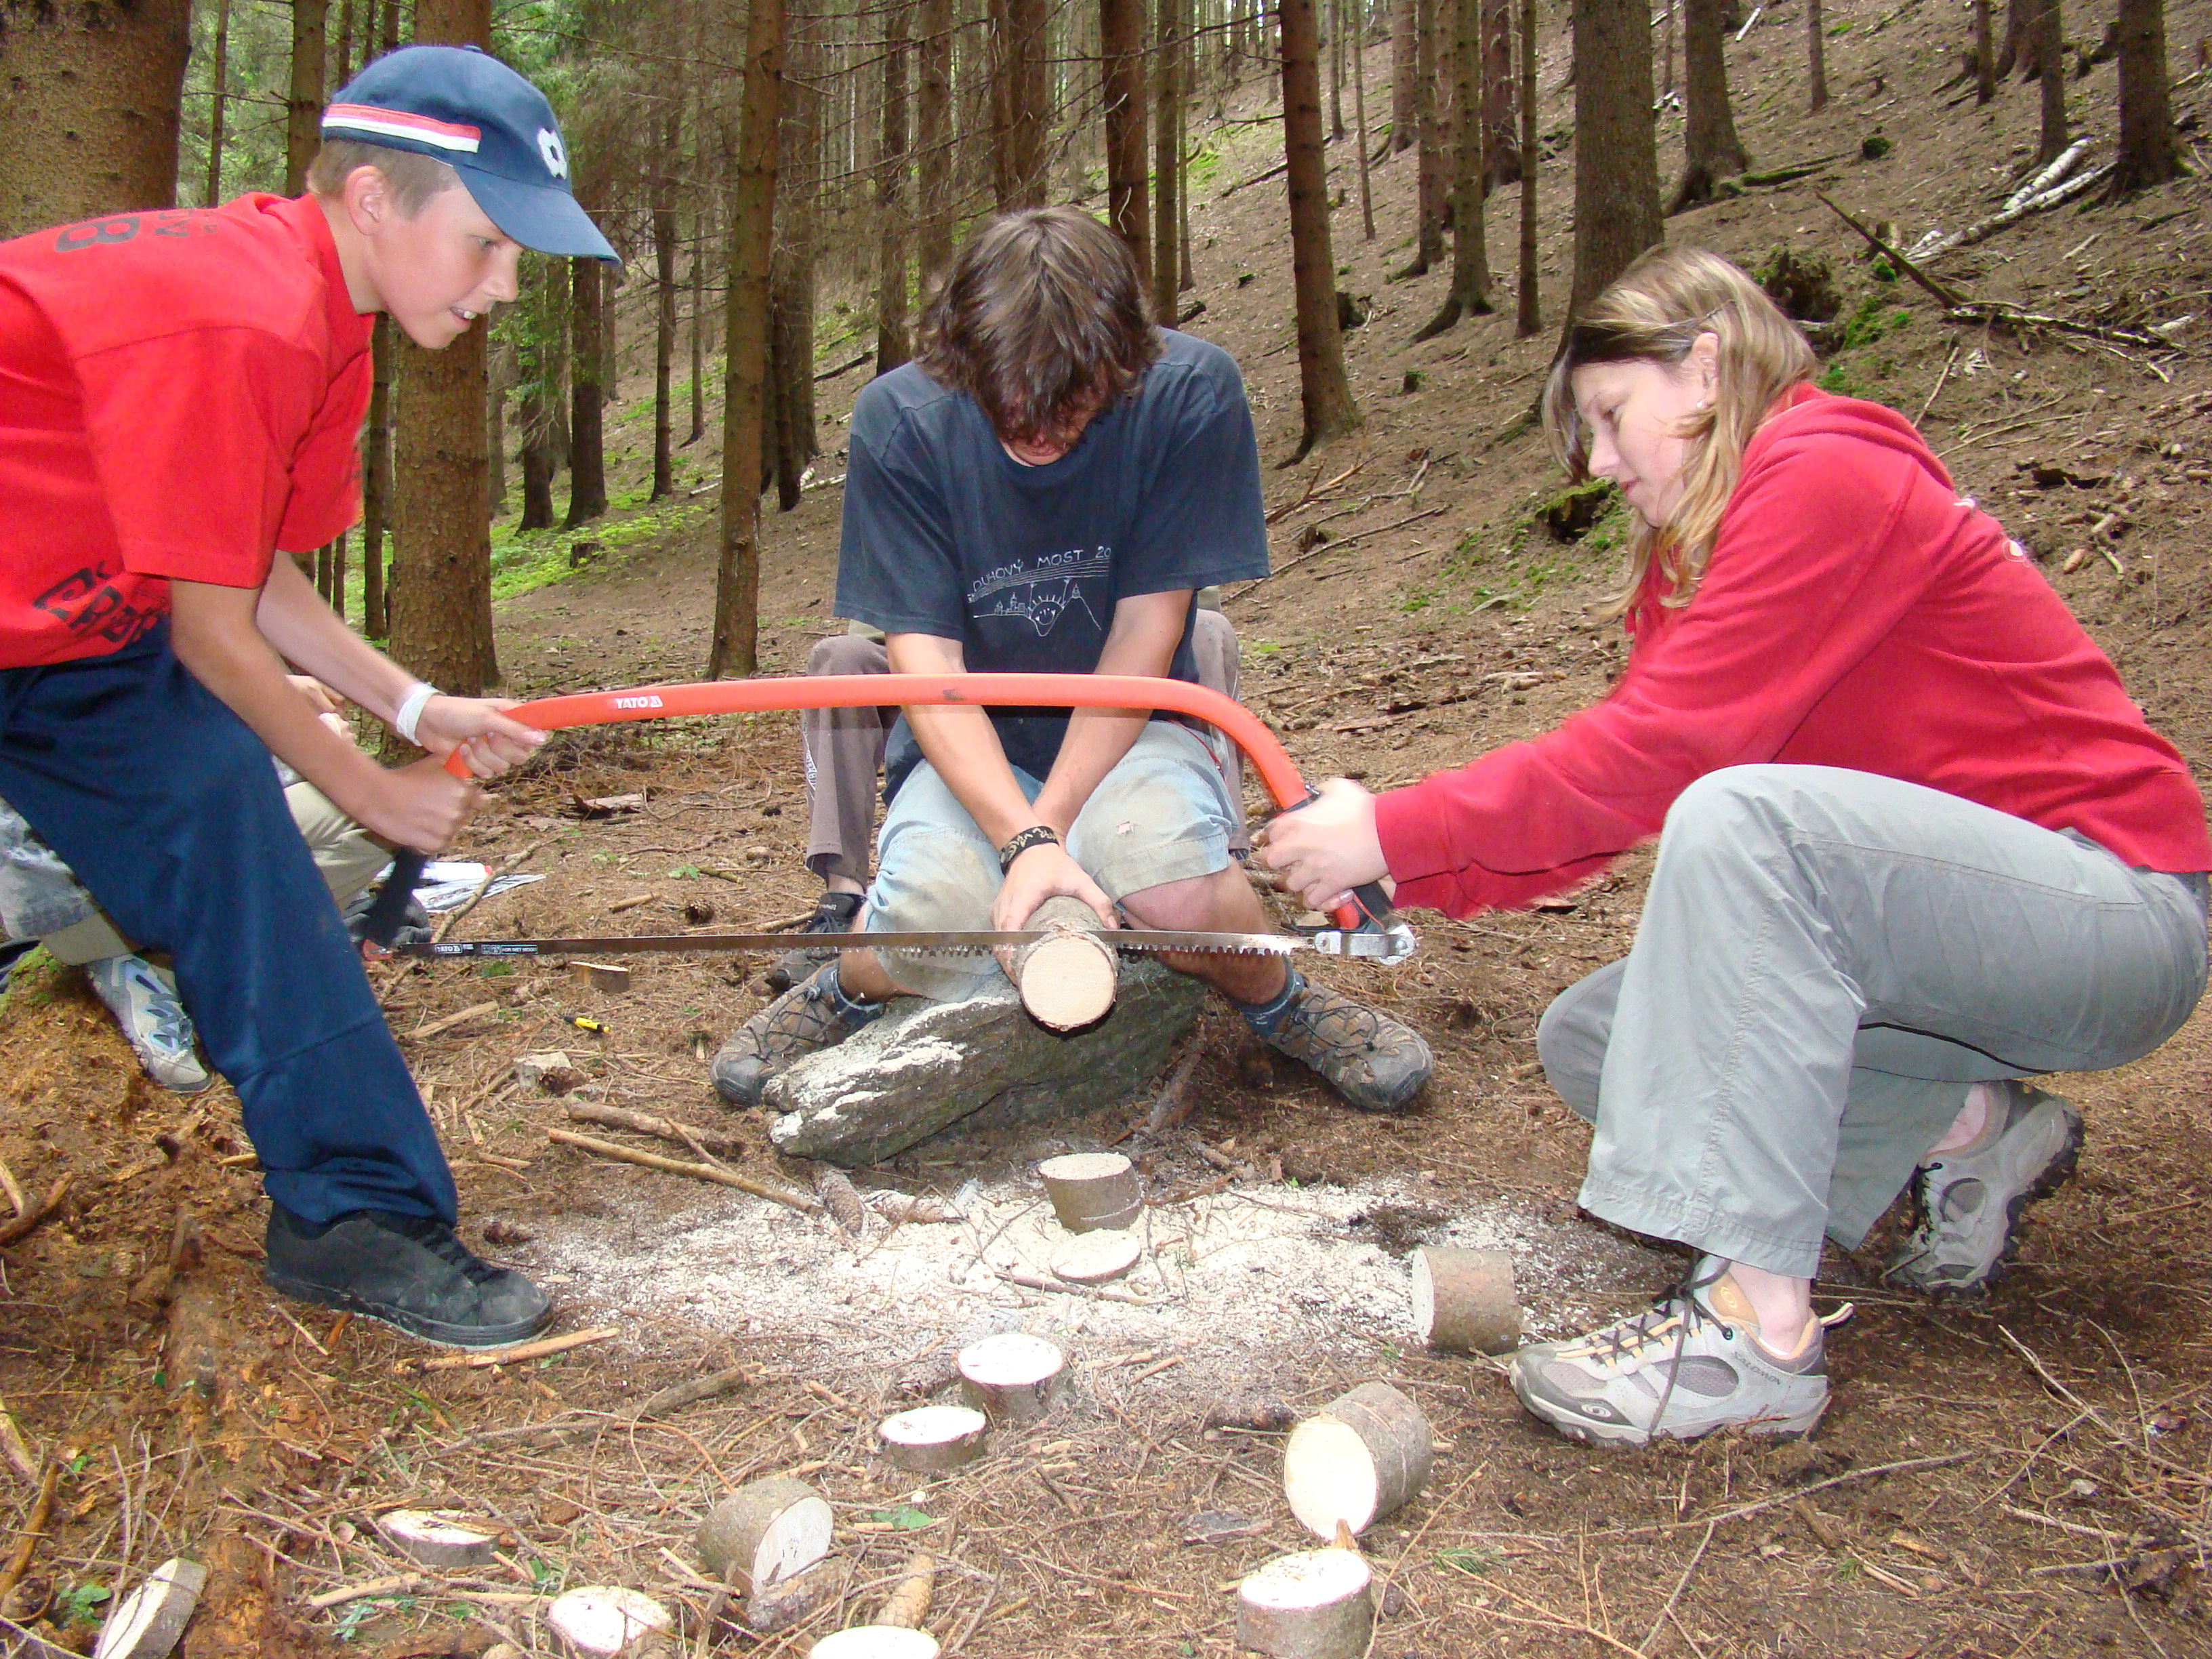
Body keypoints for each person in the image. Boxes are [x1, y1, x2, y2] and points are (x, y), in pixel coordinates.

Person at [1258, 245, 2209, 1446]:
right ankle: (1969, 1126)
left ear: (1703, 367)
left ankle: (1754, 1334)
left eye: (1611, 417)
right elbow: (1613, 802)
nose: (1599, 463)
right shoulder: (1715, 542)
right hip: (1970, 940)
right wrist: (1397, 867)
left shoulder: (1826, 472)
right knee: (1606, 1041)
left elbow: (1664, 756)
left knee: (1746, 822)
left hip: (2111, 908)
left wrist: (1392, 824)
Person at [0, 45, 619, 1347]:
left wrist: (415, 709)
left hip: (68, 640)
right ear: (375, 200)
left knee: (227, 814)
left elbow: (252, 571)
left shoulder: (331, 329)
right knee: (242, 782)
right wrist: (371, 791)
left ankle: (351, 1217)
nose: (505, 285)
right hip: (71, 623)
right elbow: (213, 634)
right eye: (487, 243)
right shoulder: (243, 309)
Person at [712, 207, 1431, 1114]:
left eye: (1069, 404)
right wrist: (1029, 843)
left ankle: (1283, 1000)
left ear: (1121, 365)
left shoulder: (1190, 395)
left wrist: (1040, 836)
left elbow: (1143, 639)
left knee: (1177, 888)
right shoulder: (902, 420)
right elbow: (925, 664)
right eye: (1009, 403)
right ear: (961, 361)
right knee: (930, 914)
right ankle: (843, 987)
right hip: (966, 739)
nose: (1039, 432)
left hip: (1136, 724)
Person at [770, 596, 1247, 992]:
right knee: (839, 660)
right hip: (961, 661)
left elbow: (1167, 608)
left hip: (1101, 656)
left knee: (1209, 631)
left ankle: (1215, 856)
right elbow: (900, 625)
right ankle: (844, 896)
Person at [0, 678, 419, 1093]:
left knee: (369, 811)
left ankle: (158, 972)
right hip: (98, 899)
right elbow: (175, 776)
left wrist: (271, 690)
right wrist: (305, 739)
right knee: (378, 809)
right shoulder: (92, 663)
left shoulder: (63, 667)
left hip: (64, 910)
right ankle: (184, 971)